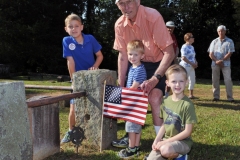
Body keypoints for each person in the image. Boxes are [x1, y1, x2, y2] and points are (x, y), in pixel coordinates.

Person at [112, 0, 175, 148]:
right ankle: (130, 137)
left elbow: (169, 52)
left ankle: (161, 142)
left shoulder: (153, 16)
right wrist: (121, 86)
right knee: (130, 97)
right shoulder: (119, 24)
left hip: (158, 63)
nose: (126, 7)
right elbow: (122, 56)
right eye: (122, 3)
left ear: (137, 1)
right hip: (135, 63)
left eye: (129, 2)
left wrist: (155, 78)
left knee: (154, 98)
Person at [61, 13, 103, 143]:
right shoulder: (66, 41)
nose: (74, 29)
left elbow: (100, 56)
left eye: (76, 26)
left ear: (82, 27)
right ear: (66, 29)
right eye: (70, 26)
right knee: (73, 107)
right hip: (77, 78)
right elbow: (70, 61)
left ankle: (94, 132)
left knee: (95, 105)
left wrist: (95, 66)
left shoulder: (90, 39)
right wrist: (74, 80)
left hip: (92, 78)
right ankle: (70, 130)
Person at [147, 64, 197, 160]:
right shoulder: (165, 101)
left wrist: (165, 142)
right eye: (174, 81)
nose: (177, 85)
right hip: (166, 141)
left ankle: (180, 155)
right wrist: (157, 140)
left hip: (183, 142)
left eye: (181, 81)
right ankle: (168, 153)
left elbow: (187, 131)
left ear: (186, 82)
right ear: (167, 83)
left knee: (166, 150)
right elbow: (165, 124)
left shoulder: (187, 105)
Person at [117, 40, 147, 158]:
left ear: (142, 56)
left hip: (134, 103)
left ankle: (132, 148)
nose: (132, 57)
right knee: (136, 126)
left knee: (131, 127)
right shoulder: (133, 67)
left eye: (136, 54)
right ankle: (137, 145)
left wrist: (122, 94)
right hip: (135, 103)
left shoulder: (139, 69)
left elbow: (134, 87)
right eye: (130, 54)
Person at [208, 25, 235, 102]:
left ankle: (230, 98)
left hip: (225, 64)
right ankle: (216, 97)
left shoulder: (229, 41)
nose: (220, 32)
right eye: (219, 31)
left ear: (225, 31)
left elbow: (230, 53)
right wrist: (217, 61)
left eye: (222, 31)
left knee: (228, 80)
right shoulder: (214, 41)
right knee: (215, 80)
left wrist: (221, 60)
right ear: (217, 32)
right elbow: (210, 54)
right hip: (215, 63)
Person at [179, 33, 198, 99]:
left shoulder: (192, 47)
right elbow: (183, 57)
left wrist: (195, 62)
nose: (193, 38)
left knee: (192, 79)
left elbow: (193, 56)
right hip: (185, 66)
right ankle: (181, 94)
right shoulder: (184, 46)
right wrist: (191, 63)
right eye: (192, 37)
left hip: (191, 66)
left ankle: (191, 95)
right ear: (188, 38)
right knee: (183, 80)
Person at [164, 21, 179, 98]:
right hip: (163, 60)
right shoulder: (162, 36)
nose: (170, 29)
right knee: (162, 77)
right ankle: (161, 93)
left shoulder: (173, 36)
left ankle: (167, 94)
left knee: (170, 77)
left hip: (172, 60)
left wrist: (175, 55)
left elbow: (176, 47)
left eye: (172, 28)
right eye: (168, 28)